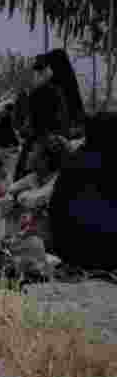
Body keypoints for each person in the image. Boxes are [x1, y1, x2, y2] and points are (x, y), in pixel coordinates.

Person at [48, 112, 117, 272]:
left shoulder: (75, 160)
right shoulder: (108, 161)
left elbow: (56, 208)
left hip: (69, 250)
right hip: (102, 251)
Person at [14, 50, 84, 181]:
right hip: (63, 151)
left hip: (42, 152)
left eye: (42, 69)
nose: (39, 73)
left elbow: (32, 125)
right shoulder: (70, 91)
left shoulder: (44, 92)